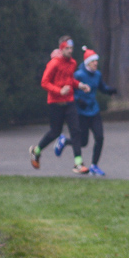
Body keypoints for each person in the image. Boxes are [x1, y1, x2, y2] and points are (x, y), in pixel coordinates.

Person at [29, 36, 90, 175]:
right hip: (55, 103)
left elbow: (70, 80)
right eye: (67, 48)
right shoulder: (54, 63)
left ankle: (78, 163)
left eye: (71, 48)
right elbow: (44, 82)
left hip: (69, 102)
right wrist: (59, 91)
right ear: (61, 48)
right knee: (55, 132)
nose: (70, 51)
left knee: (76, 131)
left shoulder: (73, 63)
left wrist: (80, 85)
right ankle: (36, 151)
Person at [61, 49, 117, 176]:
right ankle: (64, 141)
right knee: (83, 142)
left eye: (96, 61)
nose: (96, 63)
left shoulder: (97, 74)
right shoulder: (79, 75)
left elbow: (101, 87)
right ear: (87, 63)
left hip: (94, 111)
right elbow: (70, 91)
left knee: (100, 137)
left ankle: (94, 166)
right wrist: (78, 100)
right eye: (93, 61)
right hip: (81, 113)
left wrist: (110, 91)